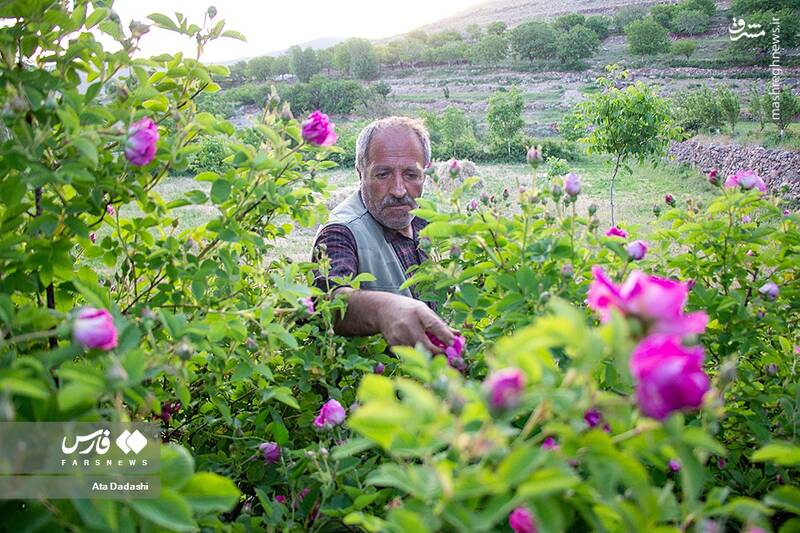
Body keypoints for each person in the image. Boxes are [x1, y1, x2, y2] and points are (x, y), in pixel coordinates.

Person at [311, 116, 458, 354]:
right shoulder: (340, 232)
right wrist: (385, 310)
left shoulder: (426, 221)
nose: (399, 190)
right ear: (360, 173)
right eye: (383, 174)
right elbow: (329, 302)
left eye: (411, 174)